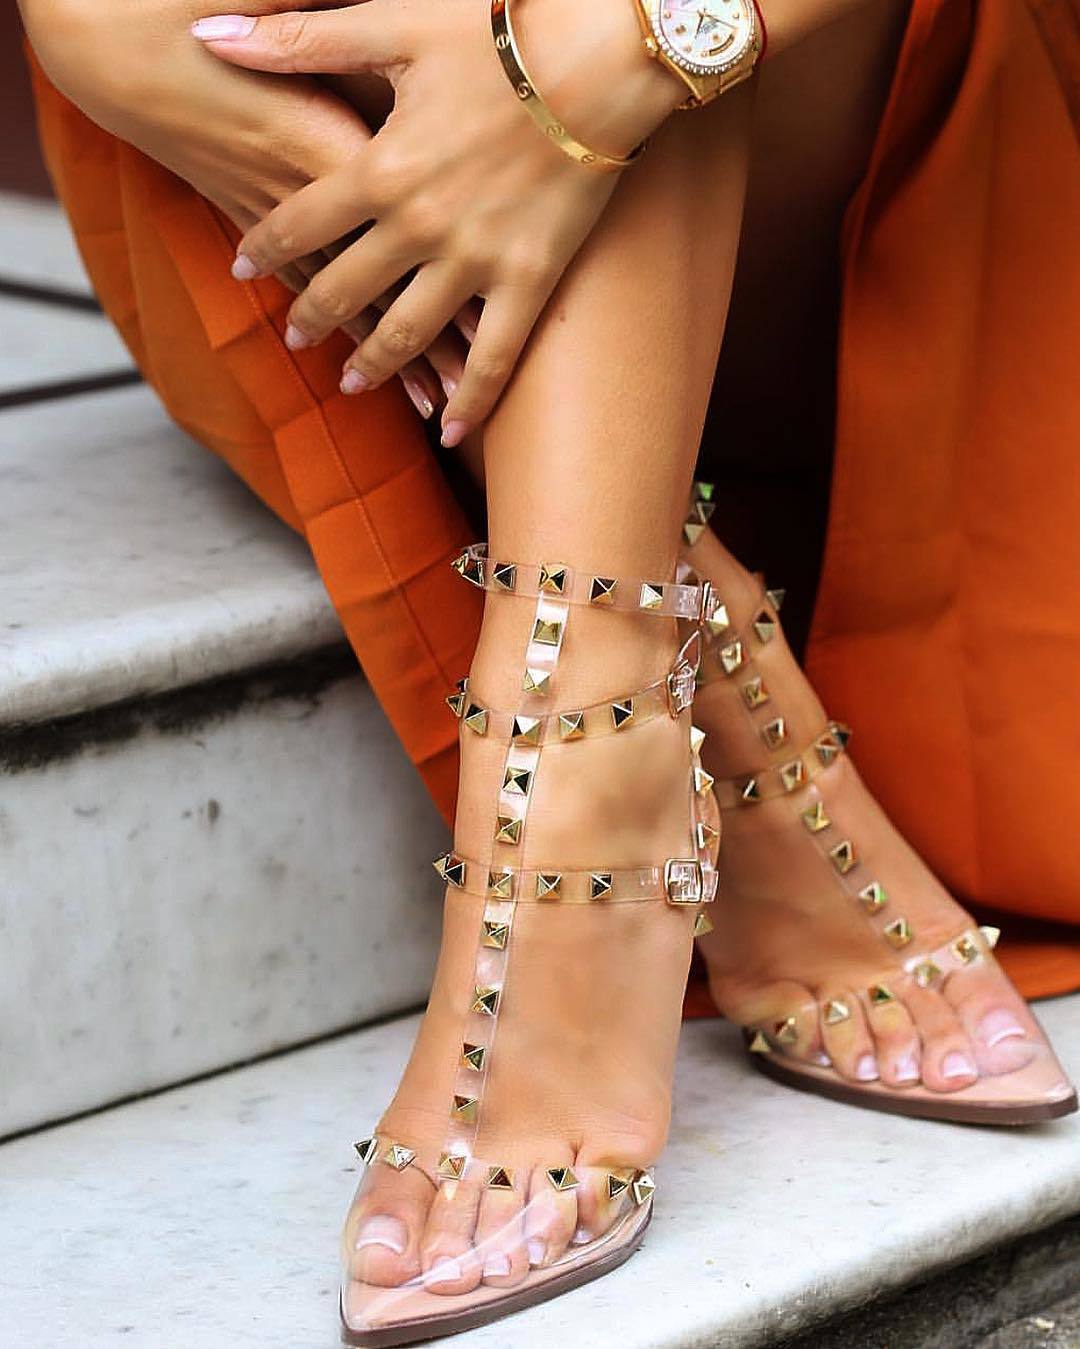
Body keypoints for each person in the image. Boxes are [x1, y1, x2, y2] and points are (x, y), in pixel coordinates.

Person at [20, 0, 1079, 1341]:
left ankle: (575, 764)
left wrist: (617, 50)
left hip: (836, 131)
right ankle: (669, 681)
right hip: (253, 146)